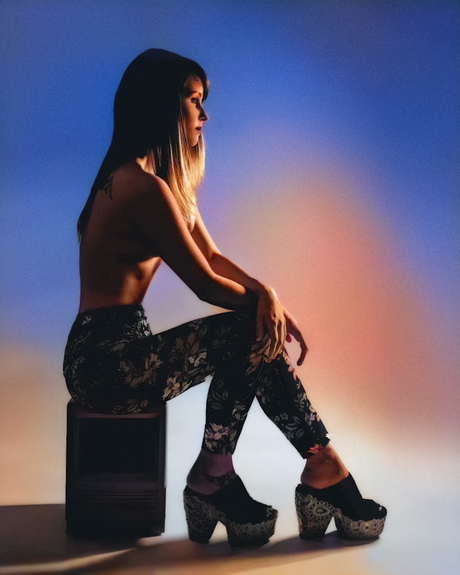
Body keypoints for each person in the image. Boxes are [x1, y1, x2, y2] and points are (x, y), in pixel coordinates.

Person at [63, 49, 386, 546]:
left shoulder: (156, 184)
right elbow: (205, 285)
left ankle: (277, 467)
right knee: (246, 329)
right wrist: (263, 307)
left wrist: (267, 294)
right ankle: (300, 467)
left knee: (250, 331)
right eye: (195, 100)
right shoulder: (138, 186)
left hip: (123, 351)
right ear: (163, 105)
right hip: (104, 363)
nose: (204, 114)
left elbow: (212, 257)